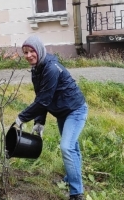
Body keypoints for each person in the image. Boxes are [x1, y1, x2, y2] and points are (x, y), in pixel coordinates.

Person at [15, 35, 88, 200]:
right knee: (72, 147)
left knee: (67, 147)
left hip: (75, 110)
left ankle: (77, 193)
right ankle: (71, 176)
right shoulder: (36, 69)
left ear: (39, 50)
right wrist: (39, 122)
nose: (28, 55)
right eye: (25, 52)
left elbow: (44, 100)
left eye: (31, 51)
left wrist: (22, 117)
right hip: (62, 111)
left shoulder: (51, 68)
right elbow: (41, 97)